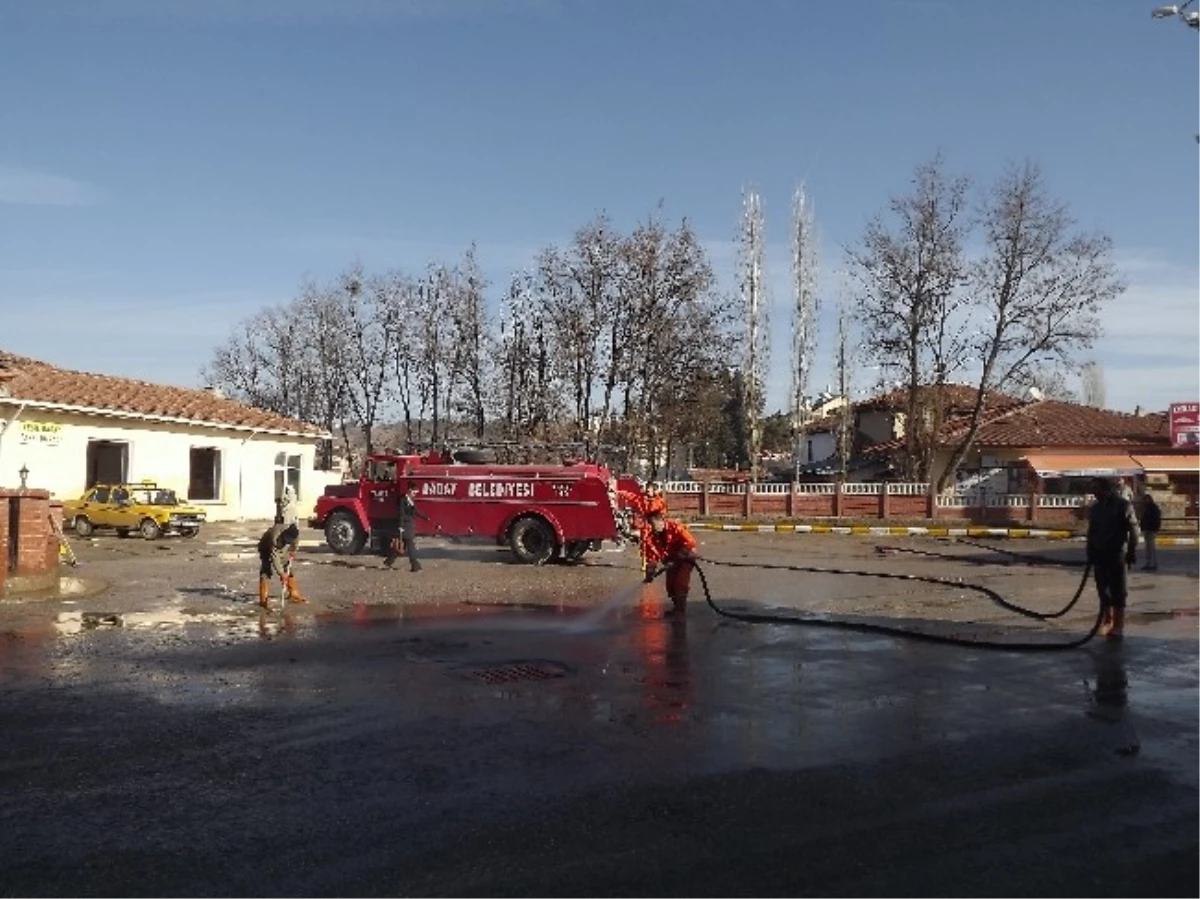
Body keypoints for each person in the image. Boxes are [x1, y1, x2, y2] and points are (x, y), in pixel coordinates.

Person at [1086, 477, 1140, 640]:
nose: (1095, 492)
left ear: (1107, 489)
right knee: (1102, 589)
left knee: (1118, 591)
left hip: (1117, 553)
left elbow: (1134, 530)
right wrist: (1090, 552)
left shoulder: (1123, 505)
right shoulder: (1095, 508)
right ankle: (1107, 620)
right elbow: (1092, 532)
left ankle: (1118, 624)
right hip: (1099, 553)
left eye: (1097, 488)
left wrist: (1131, 551)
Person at [642, 509, 699, 618]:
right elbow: (651, 556)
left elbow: (690, 542)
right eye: (650, 524)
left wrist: (682, 553)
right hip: (670, 561)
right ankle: (676, 608)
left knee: (680, 583)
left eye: (654, 524)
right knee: (670, 586)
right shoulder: (651, 536)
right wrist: (650, 571)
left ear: (662, 520)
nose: (653, 528)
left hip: (686, 557)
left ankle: (681, 611)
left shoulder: (675, 526)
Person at [619, 481, 669, 570]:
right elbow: (630, 496)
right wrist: (618, 492)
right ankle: (645, 562)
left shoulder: (659, 501)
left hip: (656, 524)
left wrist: (660, 522)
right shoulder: (642, 499)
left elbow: (663, 512)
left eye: (650, 489)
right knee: (645, 543)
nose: (648, 490)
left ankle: (660, 558)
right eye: (647, 488)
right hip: (646, 524)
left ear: (654, 490)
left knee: (657, 543)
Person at [257, 522, 303, 610]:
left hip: (282, 549)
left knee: (288, 567)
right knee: (266, 570)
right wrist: (281, 574)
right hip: (266, 548)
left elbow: (294, 545)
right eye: (286, 539)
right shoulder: (274, 537)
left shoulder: (295, 534)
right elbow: (275, 557)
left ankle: (293, 593)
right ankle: (263, 599)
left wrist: (293, 551)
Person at [384, 484, 429, 572]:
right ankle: (415, 565)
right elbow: (401, 513)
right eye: (414, 492)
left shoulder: (410, 500)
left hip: (408, 525)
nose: (415, 494)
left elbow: (416, 511)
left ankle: (389, 561)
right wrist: (401, 526)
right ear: (409, 490)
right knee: (410, 546)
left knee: (402, 545)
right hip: (405, 526)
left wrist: (425, 517)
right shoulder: (403, 500)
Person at [1139, 492, 1162, 572]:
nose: (1144, 501)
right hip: (1148, 529)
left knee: (1150, 548)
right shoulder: (1148, 508)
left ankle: (1150, 564)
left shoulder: (1152, 508)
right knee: (1150, 548)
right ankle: (1152, 563)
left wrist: (1152, 528)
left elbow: (1154, 519)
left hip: (1151, 530)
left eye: (1145, 499)